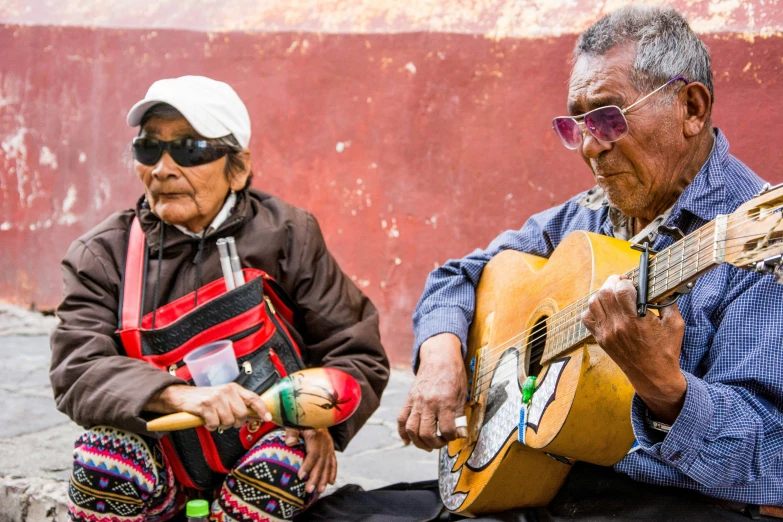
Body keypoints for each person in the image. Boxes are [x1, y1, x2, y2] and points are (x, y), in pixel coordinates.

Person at [398, 6, 783, 520]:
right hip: (545, 474)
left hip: (669, 503)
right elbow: (457, 276)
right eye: (574, 124)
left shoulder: (759, 246)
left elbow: (771, 456)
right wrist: (441, 354)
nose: (588, 147)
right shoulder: (590, 214)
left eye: (607, 117)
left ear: (691, 108)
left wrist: (665, 389)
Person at [50, 75, 389, 522]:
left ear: (238, 166)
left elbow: (356, 350)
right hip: (160, 459)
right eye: (148, 149)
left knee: (287, 463)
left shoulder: (288, 235)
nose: (163, 169)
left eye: (190, 150)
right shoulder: (102, 253)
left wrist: (317, 416)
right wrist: (177, 397)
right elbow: (78, 368)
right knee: (104, 457)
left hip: (261, 445)